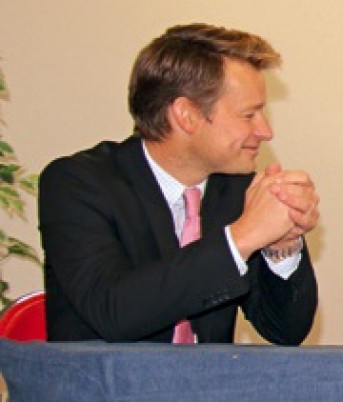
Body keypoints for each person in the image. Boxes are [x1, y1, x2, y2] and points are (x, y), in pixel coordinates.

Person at [39, 23, 320, 344]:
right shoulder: (78, 184)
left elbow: (286, 332)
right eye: (249, 115)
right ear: (186, 115)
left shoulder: (238, 189)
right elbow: (113, 313)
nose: (265, 131)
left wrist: (282, 247)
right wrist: (242, 237)